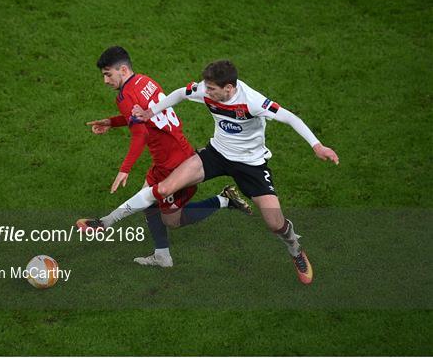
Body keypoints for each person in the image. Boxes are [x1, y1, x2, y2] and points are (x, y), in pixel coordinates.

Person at [81, 60, 339, 284]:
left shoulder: (253, 102)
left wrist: (317, 145)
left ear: (229, 88)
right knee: (165, 188)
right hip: (216, 155)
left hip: (251, 165)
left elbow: (291, 117)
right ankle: (105, 222)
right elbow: (181, 93)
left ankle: (295, 250)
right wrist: (150, 112)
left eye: (214, 90)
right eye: (207, 88)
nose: (208, 93)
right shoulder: (206, 89)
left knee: (275, 223)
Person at [77, 48, 251, 268]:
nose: (105, 80)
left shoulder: (125, 96)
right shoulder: (144, 81)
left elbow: (141, 134)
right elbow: (141, 116)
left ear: (123, 69)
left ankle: (224, 200)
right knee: (149, 200)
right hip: (177, 151)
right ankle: (160, 254)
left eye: (108, 74)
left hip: (172, 163)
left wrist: (125, 168)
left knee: (170, 218)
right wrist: (112, 122)